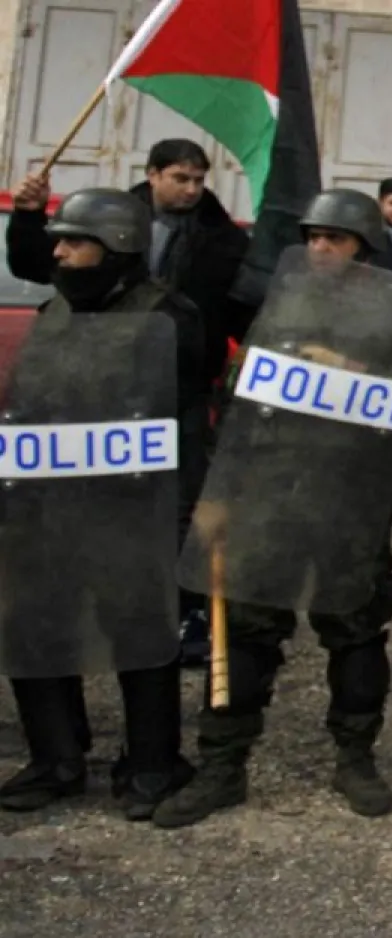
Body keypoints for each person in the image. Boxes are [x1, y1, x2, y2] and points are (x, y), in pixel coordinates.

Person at [152, 189, 392, 829]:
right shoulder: (280, 307)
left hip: (348, 498)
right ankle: (222, 765)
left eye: (334, 239)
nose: (319, 248)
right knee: (249, 627)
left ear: (363, 250)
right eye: (312, 236)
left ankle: (355, 755)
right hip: (269, 492)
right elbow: (239, 398)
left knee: (355, 627)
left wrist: (346, 368)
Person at [0, 188, 209, 819]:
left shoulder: (169, 317)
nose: (58, 252)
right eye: (57, 240)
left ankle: (151, 761)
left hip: (132, 511)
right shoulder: (54, 312)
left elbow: (186, 426)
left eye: (73, 242)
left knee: (137, 631)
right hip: (51, 507)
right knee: (31, 623)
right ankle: (55, 757)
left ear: (117, 246)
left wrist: (183, 520)